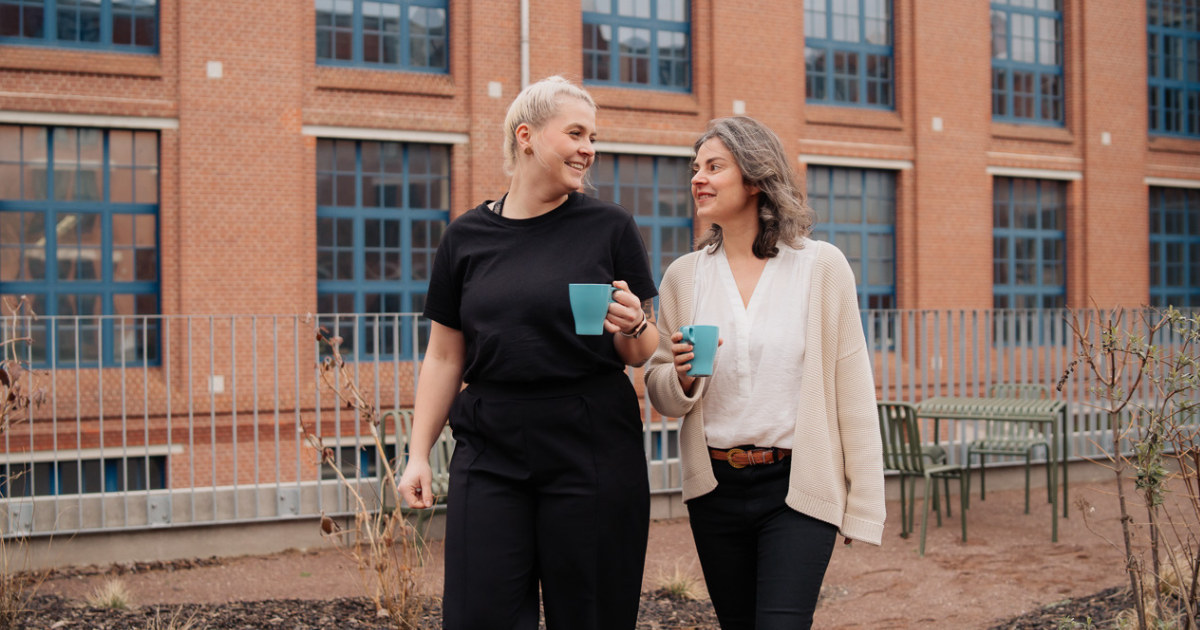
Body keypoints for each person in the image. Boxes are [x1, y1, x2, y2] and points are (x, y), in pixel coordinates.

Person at [397, 76, 659, 630]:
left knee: (591, 614)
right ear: (526, 136)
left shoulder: (609, 227)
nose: (590, 147)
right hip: (490, 445)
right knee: (478, 614)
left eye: (594, 136)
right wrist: (418, 453)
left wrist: (635, 321)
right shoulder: (465, 238)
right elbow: (444, 356)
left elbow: (638, 351)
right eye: (576, 132)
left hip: (591, 439)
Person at [644, 116, 886, 630]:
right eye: (695, 168)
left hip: (797, 486)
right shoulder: (684, 277)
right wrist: (683, 377)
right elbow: (660, 389)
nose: (698, 179)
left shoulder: (821, 267)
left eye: (714, 167)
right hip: (714, 488)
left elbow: (853, 388)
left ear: (755, 178)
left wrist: (861, 500)